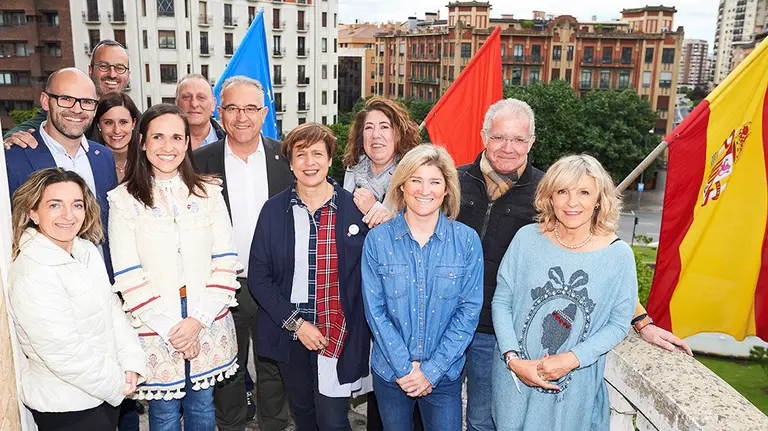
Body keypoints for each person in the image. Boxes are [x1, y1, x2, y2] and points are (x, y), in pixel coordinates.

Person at [457, 98, 693, 431]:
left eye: (518, 139)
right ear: (484, 137)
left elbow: (608, 292)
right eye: (499, 137)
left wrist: (642, 321)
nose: (508, 147)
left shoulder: (546, 192)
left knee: (482, 421)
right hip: (456, 327)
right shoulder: (454, 182)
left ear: (531, 142)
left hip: (501, 342)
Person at [107, 104, 241, 430]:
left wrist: (198, 320)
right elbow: (127, 275)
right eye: (158, 137)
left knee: (202, 406)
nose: (168, 146)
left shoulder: (209, 192)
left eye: (176, 138)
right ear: (142, 142)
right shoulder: (123, 200)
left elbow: (226, 261)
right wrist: (173, 330)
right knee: (164, 412)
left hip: (206, 315)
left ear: (187, 143)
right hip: (153, 321)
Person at [491, 154, 638, 430]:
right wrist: (513, 359)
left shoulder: (618, 256)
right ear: (550, 197)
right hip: (514, 383)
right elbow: (502, 300)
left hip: (572, 394)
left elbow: (619, 324)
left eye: (584, 192)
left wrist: (571, 359)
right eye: (562, 192)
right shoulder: (526, 239)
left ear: (599, 199)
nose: (572, 202)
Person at [249, 123, 371, 431]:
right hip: (290, 331)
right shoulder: (273, 210)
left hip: (338, 332)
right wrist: (296, 324)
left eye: (317, 153)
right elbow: (259, 277)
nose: (309, 162)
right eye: (300, 155)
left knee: (332, 420)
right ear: (290, 163)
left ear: (329, 160)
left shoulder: (354, 209)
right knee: (303, 414)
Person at [7, 168, 145, 431]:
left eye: (77, 205)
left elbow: (113, 312)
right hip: (67, 407)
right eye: (54, 205)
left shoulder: (86, 250)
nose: (68, 215)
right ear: (33, 212)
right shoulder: (32, 270)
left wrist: (131, 362)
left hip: (104, 395)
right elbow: (62, 350)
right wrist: (117, 383)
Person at [194, 76, 293, 431]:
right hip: (223, 285)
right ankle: (231, 425)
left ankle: (275, 425)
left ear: (264, 113)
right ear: (220, 113)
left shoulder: (286, 157)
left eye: (250, 108)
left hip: (275, 283)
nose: (241, 117)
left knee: (273, 366)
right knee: (228, 369)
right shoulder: (198, 162)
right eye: (233, 108)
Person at [362, 144, 483, 431]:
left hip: (444, 376)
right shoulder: (377, 241)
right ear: (401, 186)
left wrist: (431, 371)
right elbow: (375, 311)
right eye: (415, 180)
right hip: (392, 374)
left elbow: (468, 312)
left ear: (447, 189)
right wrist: (406, 368)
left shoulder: (467, 241)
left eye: (434, 182)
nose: (424, 190)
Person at [4, 67, 118, 277]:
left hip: (102, 282)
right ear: (45, 101)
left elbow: (109, 227)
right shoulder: (14, 157)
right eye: (66, 99)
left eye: (86, 102)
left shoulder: (103, 157)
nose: (77, 109)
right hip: (43, 284)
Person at [4, 40, 130, 145]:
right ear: (90, 70)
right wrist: (12, 139)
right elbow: (29, 127)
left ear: (128, 74)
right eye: (104, 66)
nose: (112, 74)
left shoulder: (131, 112)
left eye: (120, 68)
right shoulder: (69, 106)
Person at [342, 97, 420, 228]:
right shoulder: (352, 170)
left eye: (384, 127)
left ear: (398, 134)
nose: (376, 135)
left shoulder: (412, 176)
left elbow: (414, 231)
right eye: (369, 128)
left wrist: (373, 209)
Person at [94, 92, 141, 182]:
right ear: (98, 125)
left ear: (133, 124)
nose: (116, 130)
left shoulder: (147, 160)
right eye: (108, 123)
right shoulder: (88, 162)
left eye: (123, 122)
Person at [176, 74, 225, 150]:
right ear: (177, 103)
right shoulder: (161, 143)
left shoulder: (230, 144)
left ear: (213, 104)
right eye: (187, 97)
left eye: (201, 97)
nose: (194, 104)